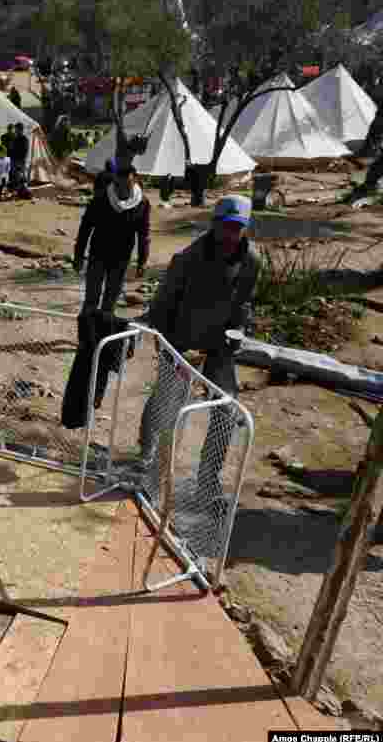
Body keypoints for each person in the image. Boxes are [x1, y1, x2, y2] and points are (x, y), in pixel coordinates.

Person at [137, 194, 261, 497]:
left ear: (245, 228)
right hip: (182, 341)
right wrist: (164, 343)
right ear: (215, 224)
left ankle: (208, 477)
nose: (231, 234)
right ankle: (147, 452)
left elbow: (244, 300)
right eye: (226, 226)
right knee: (167, 401)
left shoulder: (251, 259)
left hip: (221, 345)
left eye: (238, 228)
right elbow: (164, 302)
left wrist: (240, 329)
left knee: (227, 410)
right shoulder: (188, 258)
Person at [74, 160, 150, 312]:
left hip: (121, 259)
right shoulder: (101, 199)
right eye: (118, 185)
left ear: (134, 181)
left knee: (110, 303)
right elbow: (85, 228)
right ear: (114, 181)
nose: (121, 190)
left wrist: (142, 261)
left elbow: (143, 234)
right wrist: (78, 256)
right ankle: (87, 334)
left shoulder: (142, 203)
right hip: (98, 255)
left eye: (126, 185)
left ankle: (104, 333)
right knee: (91, 299)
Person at [8, 122, 30, 193]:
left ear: (21, 129)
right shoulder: (14, 138)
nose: (15, 130)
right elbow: (11, 148)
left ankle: (22, 189)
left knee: (21, 175)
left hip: (20, 160)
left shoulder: (24, 139)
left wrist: (21, 161)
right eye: (15, 129)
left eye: (16, 129)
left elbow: (24, 151)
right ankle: (15, 189)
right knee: (14, 175)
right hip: (14, 159)